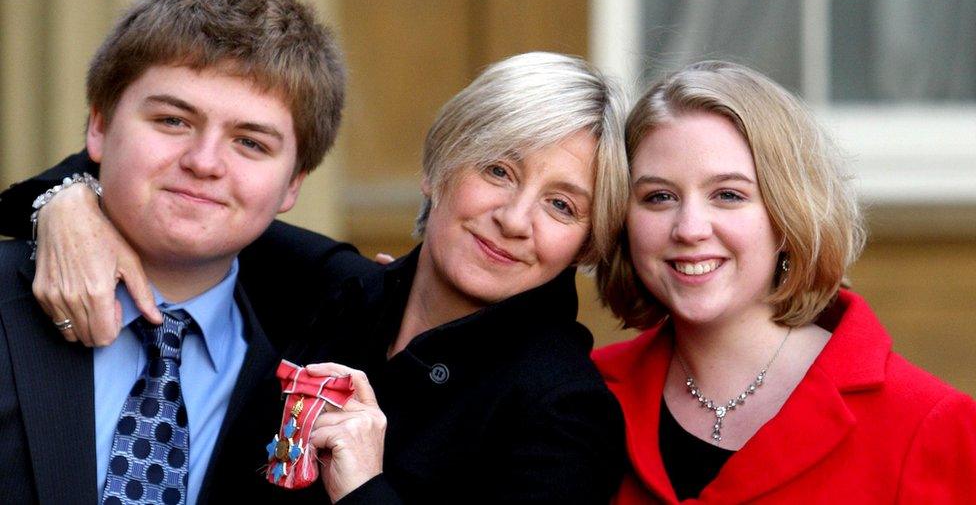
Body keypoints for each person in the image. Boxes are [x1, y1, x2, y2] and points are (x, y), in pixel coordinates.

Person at [1, 53, 630, 503]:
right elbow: (188, 202)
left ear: (587, 241)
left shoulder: (567, 414)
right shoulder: (336, 290)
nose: (514, 219)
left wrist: (363, 488)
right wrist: (67, 203)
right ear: (437, 166)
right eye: (497, 170)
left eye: (562, 206)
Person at [0, 0, 350, 504]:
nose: (204, 162)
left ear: (292, 187)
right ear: (99, 125)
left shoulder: (312, 377)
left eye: (251, 143)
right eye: (172, 121)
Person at [592, 60, 976, 503]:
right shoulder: (586, 397)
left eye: (728, 195)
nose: (690, 228)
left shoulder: (926, 423)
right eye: (659, 197)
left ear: (788, 214)